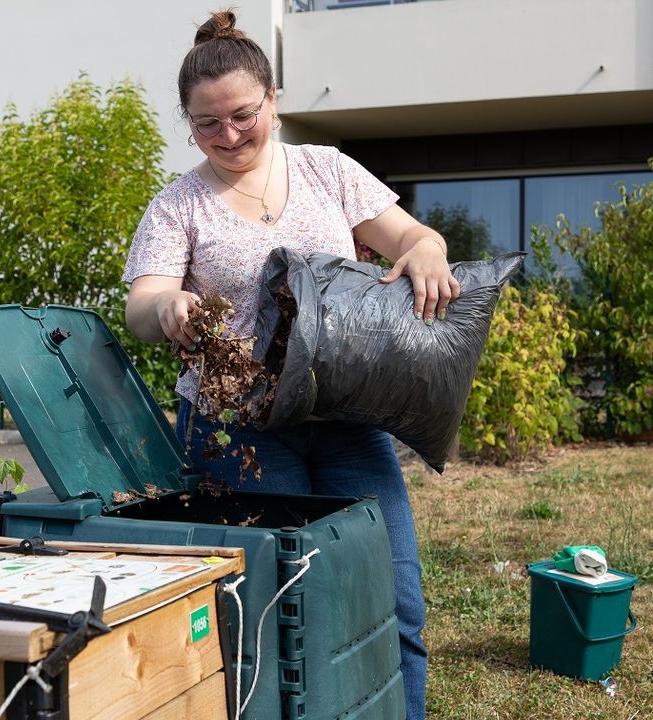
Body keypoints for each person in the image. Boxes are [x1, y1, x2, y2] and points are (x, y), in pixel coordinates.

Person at [122, 10, 459, 720]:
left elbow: (406, 234)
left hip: (344, 419)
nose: (229, 135)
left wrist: (425, 246)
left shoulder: (326, 171)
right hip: (237, 431)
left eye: (243, 114)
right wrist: (171, 310)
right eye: (206, 124)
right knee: (277, 612)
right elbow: (142, 302)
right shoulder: (177, 206)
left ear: (273, 97)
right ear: (188, 124)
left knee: (392, 601)